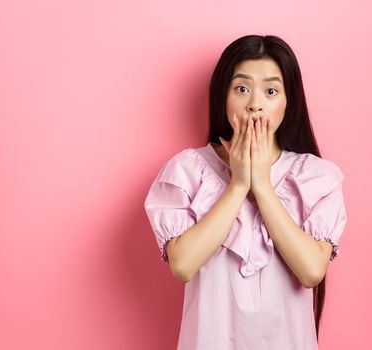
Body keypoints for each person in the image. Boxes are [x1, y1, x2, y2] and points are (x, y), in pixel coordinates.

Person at [143, 34, 348, 349]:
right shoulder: (187, 169)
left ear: (288, 101)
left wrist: (262, 185)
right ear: (223, 96)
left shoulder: (314, 175)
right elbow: (183, 265)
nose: (255, 104)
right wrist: (238, 184)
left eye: (270, 91)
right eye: (242, 89)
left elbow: (311, 271)